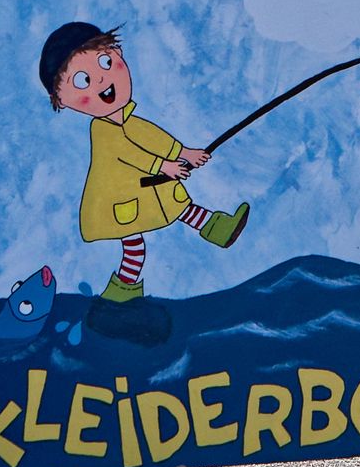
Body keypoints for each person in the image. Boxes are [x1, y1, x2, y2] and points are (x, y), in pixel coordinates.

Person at [43, 23, 249, 302]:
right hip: (121, 199)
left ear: (119, 53)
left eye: (106, 62)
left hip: (145, 188)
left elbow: (154, 139)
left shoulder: (128, 119)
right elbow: (128, 152)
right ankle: (119, 297)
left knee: (182, 208)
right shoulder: (102, 130)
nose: (101, 80)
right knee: (134, 247)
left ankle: (219, 230)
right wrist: (165, 167)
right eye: (83, 81)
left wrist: (184, 153)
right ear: (61, 100)